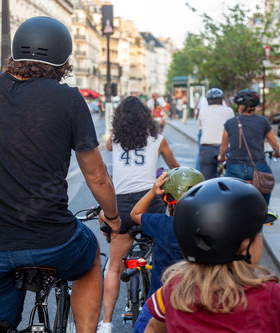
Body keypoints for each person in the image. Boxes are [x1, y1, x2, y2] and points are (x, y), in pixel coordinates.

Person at [0, 17, 120, 333]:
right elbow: (97, 176)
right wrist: (113, 218)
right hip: (51, 239)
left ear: (15, 53)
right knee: (88, 254)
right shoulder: (68, 99)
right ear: (63, 60)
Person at [145, 177, 280, 332]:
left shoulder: (172, 293)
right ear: (243, 246)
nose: (260, 238)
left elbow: (153, 327)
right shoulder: (273, 298)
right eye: (258, 233)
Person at [98, 96, 179, 333]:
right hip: (149, 204)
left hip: (121, 207)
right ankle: (164, 307)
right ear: (147, 118)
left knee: (114, 266)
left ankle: (106, 324)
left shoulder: (115, 140)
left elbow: (111, 148)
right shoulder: (158, 140)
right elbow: (174, 168)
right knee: (164, 253)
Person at [130, 167, 205, 333]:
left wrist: (152, 192)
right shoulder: (206, 227)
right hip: (197, 301)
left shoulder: (161, 224)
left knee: (141, 328)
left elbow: (136, 213)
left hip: (160, 301)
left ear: (168, 201)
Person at [218, 89, 280, 205]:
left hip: (234, 168)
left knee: (225, 194)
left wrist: (221, 157)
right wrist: (277, 153)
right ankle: (264, 212)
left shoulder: (230, 123)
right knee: (266, 188)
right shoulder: (263, 121)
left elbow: (223, 148)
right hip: (259, 167)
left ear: (241, 106)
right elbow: (275, 144)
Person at [197, 88, 235, 179]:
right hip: (225, 148)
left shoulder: (203, 110)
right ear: (222, 100)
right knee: (229, 178)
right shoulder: (229, 111)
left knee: (205, 180)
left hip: (207, 149)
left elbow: (200, 125)